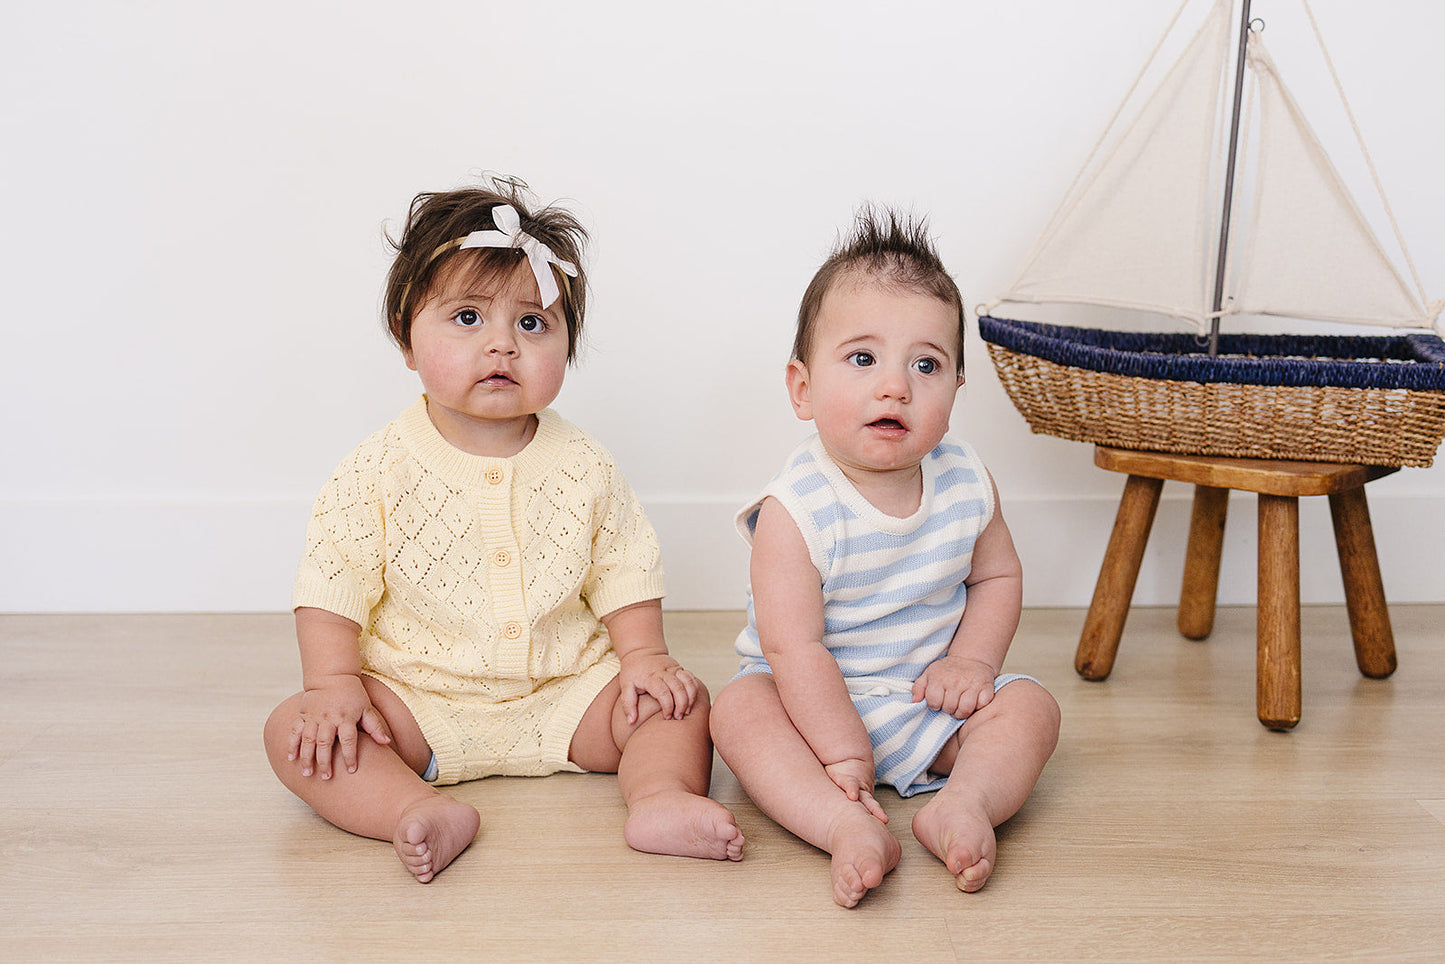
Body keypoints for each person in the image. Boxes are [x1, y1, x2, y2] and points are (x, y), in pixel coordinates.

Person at [264, 178, 744, 883]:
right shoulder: (375, 468)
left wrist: (643, 657)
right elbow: (332, 581)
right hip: (417, 704)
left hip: (569, 693)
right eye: (466, 318)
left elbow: (624, 565)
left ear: (566, 343)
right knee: (293, 732)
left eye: (532, 323)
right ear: (406, 336)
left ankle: (658, 798)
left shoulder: (583, 463)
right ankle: (410, 809)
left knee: (679, 703)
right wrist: (333, 685)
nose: (501, 345)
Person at [710, 207, 1059, 908]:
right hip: (807, 705)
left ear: (955, 391)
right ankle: (841, 822)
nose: (894, 385)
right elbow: (792, 645)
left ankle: (963, 803)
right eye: (862, 359)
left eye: (925, 364)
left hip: (925, 703)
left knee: (1031, 709)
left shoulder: (964, 479)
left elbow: (997, 576)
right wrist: (840, 752)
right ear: (802, 389)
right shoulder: (796, 509)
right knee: (738, 712)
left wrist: (972, 664)